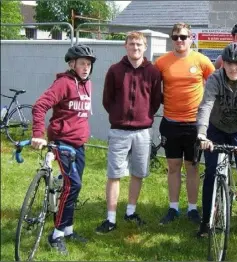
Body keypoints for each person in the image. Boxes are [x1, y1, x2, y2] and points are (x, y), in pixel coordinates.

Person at [31, 44, 96, 255]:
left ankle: (68, 230)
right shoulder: (64, 83)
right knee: (73, 185)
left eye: (89, 64)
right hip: (63, 142)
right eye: (82, 64)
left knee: (74, 187)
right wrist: (38, 134)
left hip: (79, 144)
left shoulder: (88, 85)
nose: (86, 68)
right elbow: (39, 106)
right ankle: (56, 235)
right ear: (72, 64)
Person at [95, 31, 162, 234]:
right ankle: (111, 218)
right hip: (119, 130)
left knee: (137, 173)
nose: (136, 47)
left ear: (145, 47)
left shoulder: (153, 72)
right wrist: (119, 115)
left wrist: (143, 116)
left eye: (139, 44)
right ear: (125, 46)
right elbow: (107, 100)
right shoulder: (115, 70)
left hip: (143, 131)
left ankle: (131, 212)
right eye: (132, 44)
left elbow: (156, 100)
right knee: (114, 174)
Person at [196, 42, 237, 237]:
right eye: (229, 63)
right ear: (223, 64)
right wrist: (201, 133)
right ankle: (206, 221)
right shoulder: (215, 78)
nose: (233, 68)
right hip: (216, 129)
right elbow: (206, 105)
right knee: (210, 172)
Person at [155, 22, 215, 225]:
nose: (179, 41)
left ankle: (192, 209)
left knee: (192, 166)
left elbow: (214, 86)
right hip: (171, 122)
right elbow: (153, 88)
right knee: (173, 166)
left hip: (194, 124)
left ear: (191, 38)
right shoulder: (162, 62)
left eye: (183, 37)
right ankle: (173, 208)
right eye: (175, 37)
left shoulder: (202, 60)